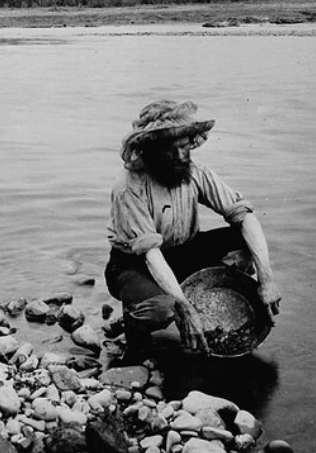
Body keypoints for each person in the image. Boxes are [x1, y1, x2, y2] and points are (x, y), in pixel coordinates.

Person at [105, 100, 281, 360]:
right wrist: (184, 308)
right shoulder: (129, 187)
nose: (179, 156)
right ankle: (135, 329)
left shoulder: (195, 173)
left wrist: (266, 280)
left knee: (243, 238)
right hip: (134, 263)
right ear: (151, 150)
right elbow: (151, 254)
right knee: (164, 311)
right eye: (170, 150)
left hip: (183, 251)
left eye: (184, 147)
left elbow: (245, 216)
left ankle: (210, 303)